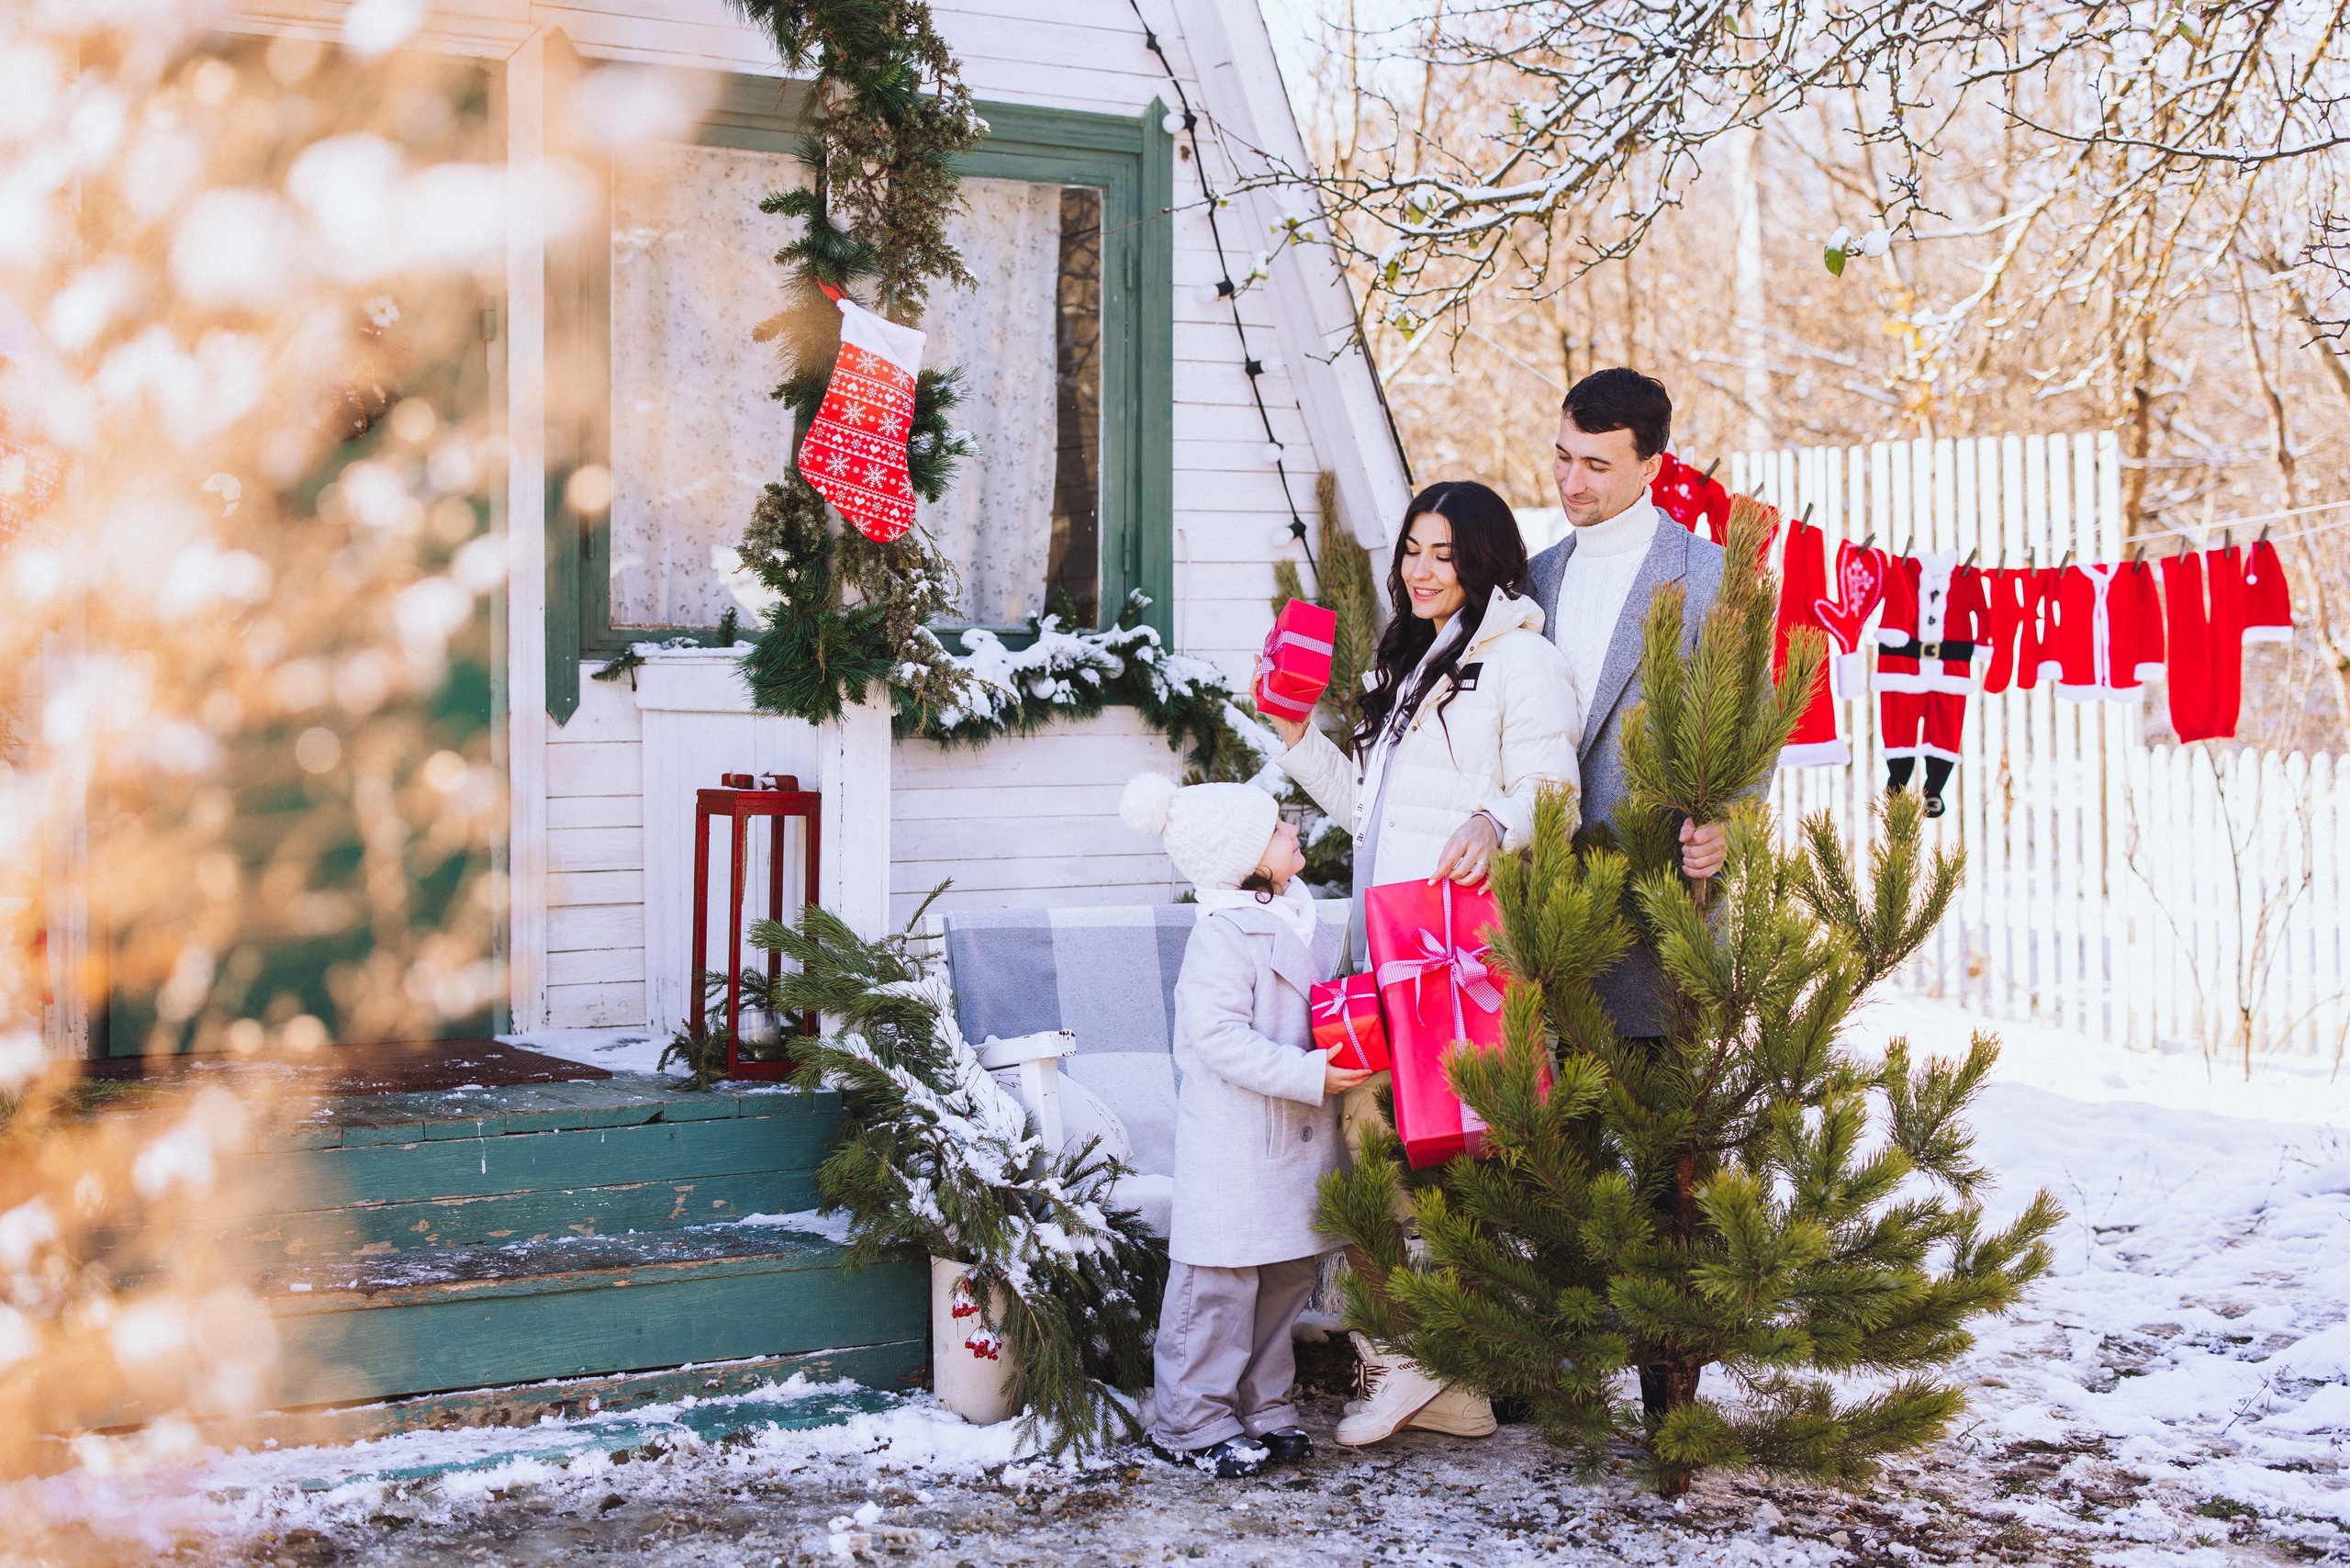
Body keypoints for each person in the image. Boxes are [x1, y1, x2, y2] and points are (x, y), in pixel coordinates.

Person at [1261, 478, 1581, 1447]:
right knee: (1375, 1159)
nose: (1422, 569)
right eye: (1412, 549)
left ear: (1485, 560)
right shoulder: (1411, 657)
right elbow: (1366, 803)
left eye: (1444, 553)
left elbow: (1551, 788)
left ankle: (1408, 1361)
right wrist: (1292, 737)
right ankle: (1453, 1388)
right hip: (1385, 950)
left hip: (1453, 961)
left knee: (1429, 1170)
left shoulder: (1520, 662)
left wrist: (1496, 818)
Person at [1120, 770, 1376, 1479]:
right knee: (1220, 1285)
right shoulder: (1221, 936)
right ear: (1245, 860)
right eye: (1275, 828)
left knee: (1285, 1277)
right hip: (1241, 1139)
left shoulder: (1301, 914)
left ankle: (1264, 1403)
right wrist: (1311, 1074)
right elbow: (1220, 1039)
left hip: (1297, 1140)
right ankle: (1192, 1417)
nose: (1293, 831)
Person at [1523, 367, 1745, 1041]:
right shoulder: (1534, 577)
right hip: (1548, 913)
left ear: (1652, 466)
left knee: (1667, 1140)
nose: (1571, 481)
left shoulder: (1711, 575)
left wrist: (1729, 824)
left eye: (1596, 465)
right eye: (1563, 456)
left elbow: (1751, 724)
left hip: (1661, 909)